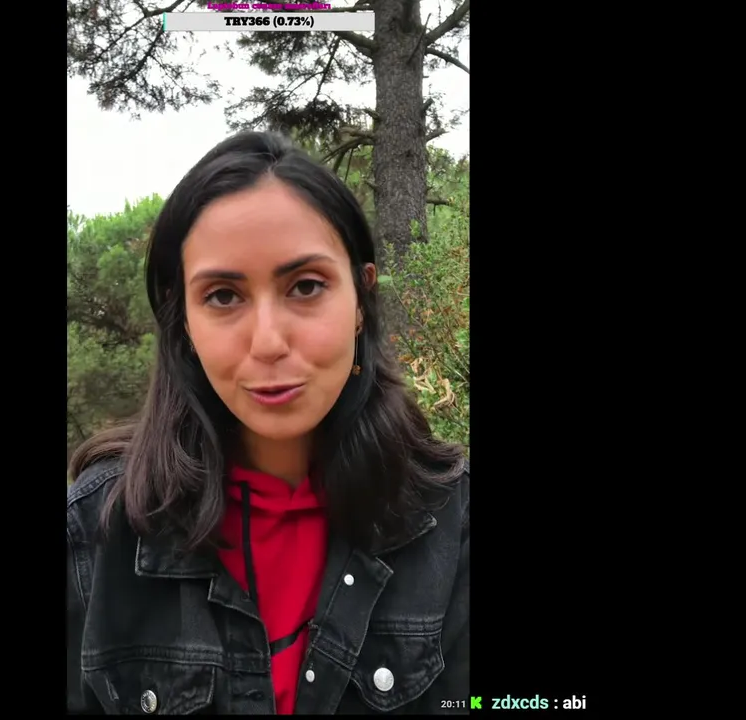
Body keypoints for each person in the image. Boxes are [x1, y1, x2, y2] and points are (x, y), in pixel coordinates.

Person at [66, 131, 469, 715]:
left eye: (305, 287)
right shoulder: (97, 533)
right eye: (223, 296)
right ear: (185, 324)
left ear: (361, 300)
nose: (268, 342)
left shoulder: (453, 525)